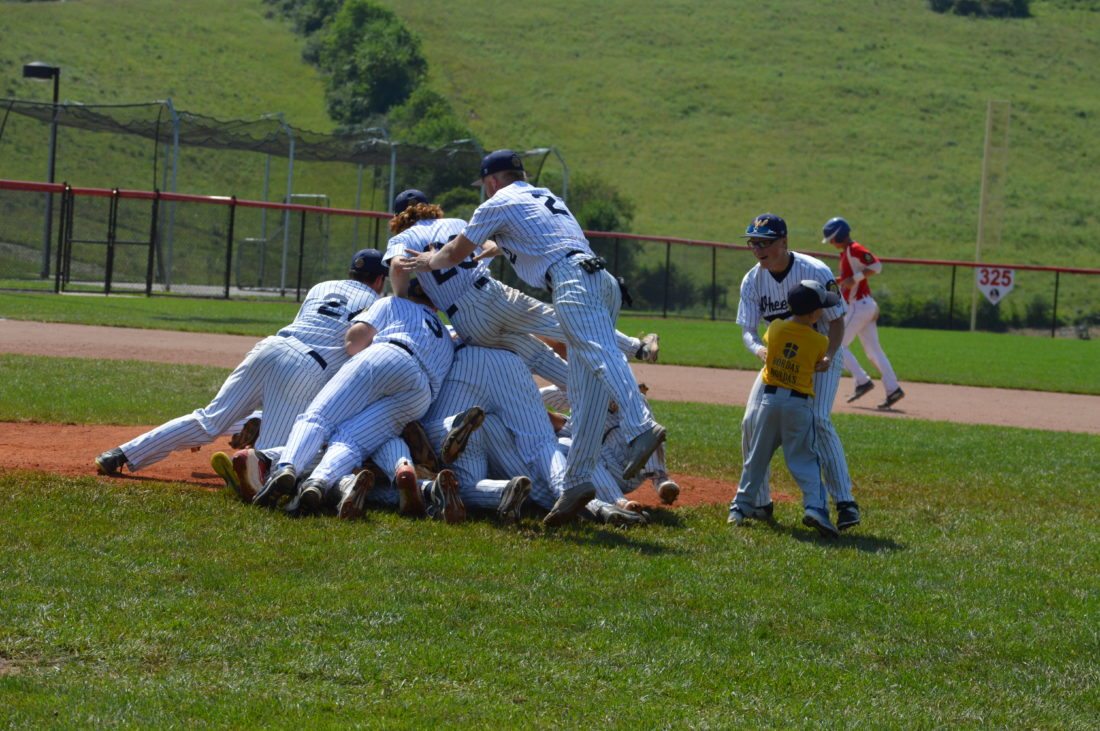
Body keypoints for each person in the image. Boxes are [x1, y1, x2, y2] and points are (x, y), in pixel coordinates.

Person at [393, 150, 666, 526]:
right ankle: (576, 483)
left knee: (593, 353)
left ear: (491, 181)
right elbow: (498, 246)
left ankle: (640, 425)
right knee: (579, 377)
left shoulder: (495, 203)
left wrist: (424, 265)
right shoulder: (542, 196)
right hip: (596, 279)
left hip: (514, 298)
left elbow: (451, 254)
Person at [94, 249, 388, 479]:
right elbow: (358, 355)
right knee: (273, 462)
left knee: (208, 419)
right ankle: (255, 436)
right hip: (305, 369)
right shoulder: (379, 304)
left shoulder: (321, 287)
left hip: (270, 348)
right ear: (379, 280)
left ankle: (121, 454)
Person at [384, 188, 658, 390]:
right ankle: (637, 349)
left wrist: (401, 297)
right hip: (488, 293)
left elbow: (397, 267)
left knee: (536, 357)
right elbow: (487, 247)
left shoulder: (404, 237)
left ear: (399, 217)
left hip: (466, 320)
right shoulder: (454, 223)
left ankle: (598, 398)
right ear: (427, 206)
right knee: (562, 322)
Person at [252, 295, 455, 517]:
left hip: (387, 355)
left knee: (318, 418)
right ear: (436, 304)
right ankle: (318, 482)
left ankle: (287, 468)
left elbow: (353, 344)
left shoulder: (394, 302)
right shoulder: (446, 336)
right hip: (420, 392)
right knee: (352, 439)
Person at [735, 213, 860, 530]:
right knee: (751, 421)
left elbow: (836, 318)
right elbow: (748, 330)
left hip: (820, 355)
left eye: (765, 242)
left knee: (817, 419)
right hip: (777, 359)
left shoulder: (814, 270)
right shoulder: (753, 280)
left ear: (784, 242)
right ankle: (759, 503)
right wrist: (758, 350)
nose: (758, 249)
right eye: (753, 242)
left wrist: (830, 354)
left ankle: (844, 502)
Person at [729, 281, 842, 537]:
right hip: (797, 405)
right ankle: (815, 507)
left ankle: (739, 508)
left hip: (768, 403)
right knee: (804, 459)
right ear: (814, 314)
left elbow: (769, 341)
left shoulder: (777, 328)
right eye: (820, 309)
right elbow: (819, 360)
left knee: (756, 458)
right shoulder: (819, 341)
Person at [822, 216, 904, 409]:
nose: (831, 243)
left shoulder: (854, 249)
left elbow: (876, 265)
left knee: (836, 345)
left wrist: (855, 278)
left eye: (832, 239)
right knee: (874, 351)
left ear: (839, 235)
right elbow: (854, 276)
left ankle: (862, 380)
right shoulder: (847, 252)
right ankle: (893, 389)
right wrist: (842, 279)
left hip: (859, 305)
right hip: (864, 305)